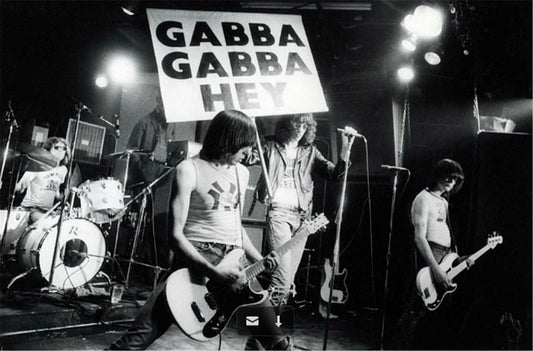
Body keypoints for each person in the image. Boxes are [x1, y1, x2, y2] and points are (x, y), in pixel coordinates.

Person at [108, 110, 290, 350]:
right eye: (245, 146)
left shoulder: (241, 172)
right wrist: (213, 272)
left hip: (236, 263)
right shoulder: (189, 169)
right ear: (229, 140)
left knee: (275, 340)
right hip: (196, 261)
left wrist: (258, 257)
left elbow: (236, 226)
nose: (249, 152)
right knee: (137, 339)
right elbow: (175, 236)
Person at [245, 113, 356, 306]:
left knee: (287, 284)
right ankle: (266, 332)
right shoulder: (270, 146)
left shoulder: (310, 152)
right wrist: (250, 129)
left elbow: (335, 174)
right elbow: (247, 158)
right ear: (287, 125)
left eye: (305, 127)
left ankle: (262, 333)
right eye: (297, 125)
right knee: (281, 279)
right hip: (278, 213)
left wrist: (346, 149)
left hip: (302, 219)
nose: (301, 130)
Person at [394, 158, 474, 349]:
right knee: (415, 309)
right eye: (448, 176)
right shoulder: (423, 198)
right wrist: (436, 268)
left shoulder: (443, 201)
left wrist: (458, 260)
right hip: (429, 255)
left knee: (435, 312)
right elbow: (419, 238)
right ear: (438, 175)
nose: (451, 181)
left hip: (445, 255)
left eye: (455, 179)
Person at [126, 90, 175, 273]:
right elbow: (132, 152)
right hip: (148, 171)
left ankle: (158, 266)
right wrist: (145, 176)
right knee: (146, 221)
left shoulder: (168, 125)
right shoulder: (144, 122)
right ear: (158, 102)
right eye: (165, 103)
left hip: (164, 172)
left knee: (161, 220)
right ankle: (141, 266)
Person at [14, 137, 71, 224]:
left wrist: (64, 196)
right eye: (57, 148)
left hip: (48, 211)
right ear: (48, 150)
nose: (60, 151)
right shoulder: (37, 166)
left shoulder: (63, 170)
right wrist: (8, 185)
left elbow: (56, 193)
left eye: (63, 149)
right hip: (31, 209)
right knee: (48, 225)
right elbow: (21, 187)